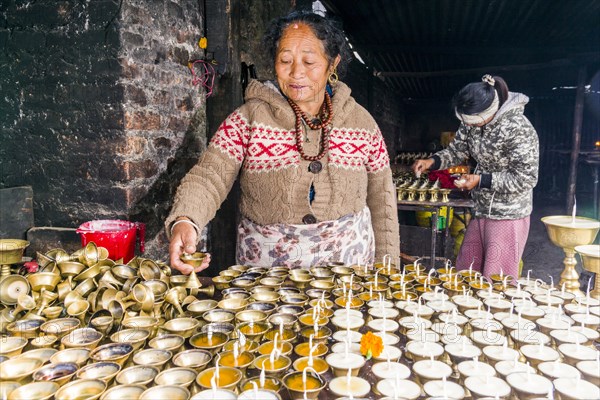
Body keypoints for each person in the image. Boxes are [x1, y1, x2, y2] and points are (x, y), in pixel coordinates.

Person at [166, 11, 400, 274]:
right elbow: (209, 176)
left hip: (346, 271)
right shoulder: (249, 118)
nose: (296, 73)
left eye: (309, 61)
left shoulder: (362, 123)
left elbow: (382, 198)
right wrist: (185, 220)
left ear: (332, 64)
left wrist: (387, 270)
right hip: (266, 273)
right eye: (285, 60)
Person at [413, 75, 539, 279]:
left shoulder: (519, 129)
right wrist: (432, 162)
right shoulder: (471, 123)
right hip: (481, 209)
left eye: (472, 123)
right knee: (467, 269)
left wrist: (481, 180)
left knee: (497, 277)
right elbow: (456, 151)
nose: (468, 127)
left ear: (488, 113)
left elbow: (526, 178)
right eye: (465, 122)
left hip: (508, 213)